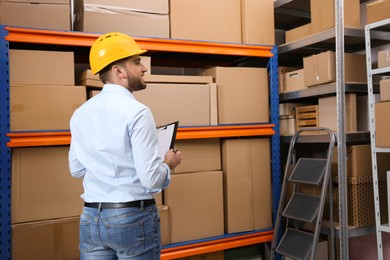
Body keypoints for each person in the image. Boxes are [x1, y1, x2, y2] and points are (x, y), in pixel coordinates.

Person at [68, 32, 182, 260]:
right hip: (131, 218)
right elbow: (151, 180)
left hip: (91, 219)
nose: (144, 68)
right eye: (137, 62)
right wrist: (168, 164)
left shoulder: (80, 114)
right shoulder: (137, 112)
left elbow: (77, 169)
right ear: (118, 71)